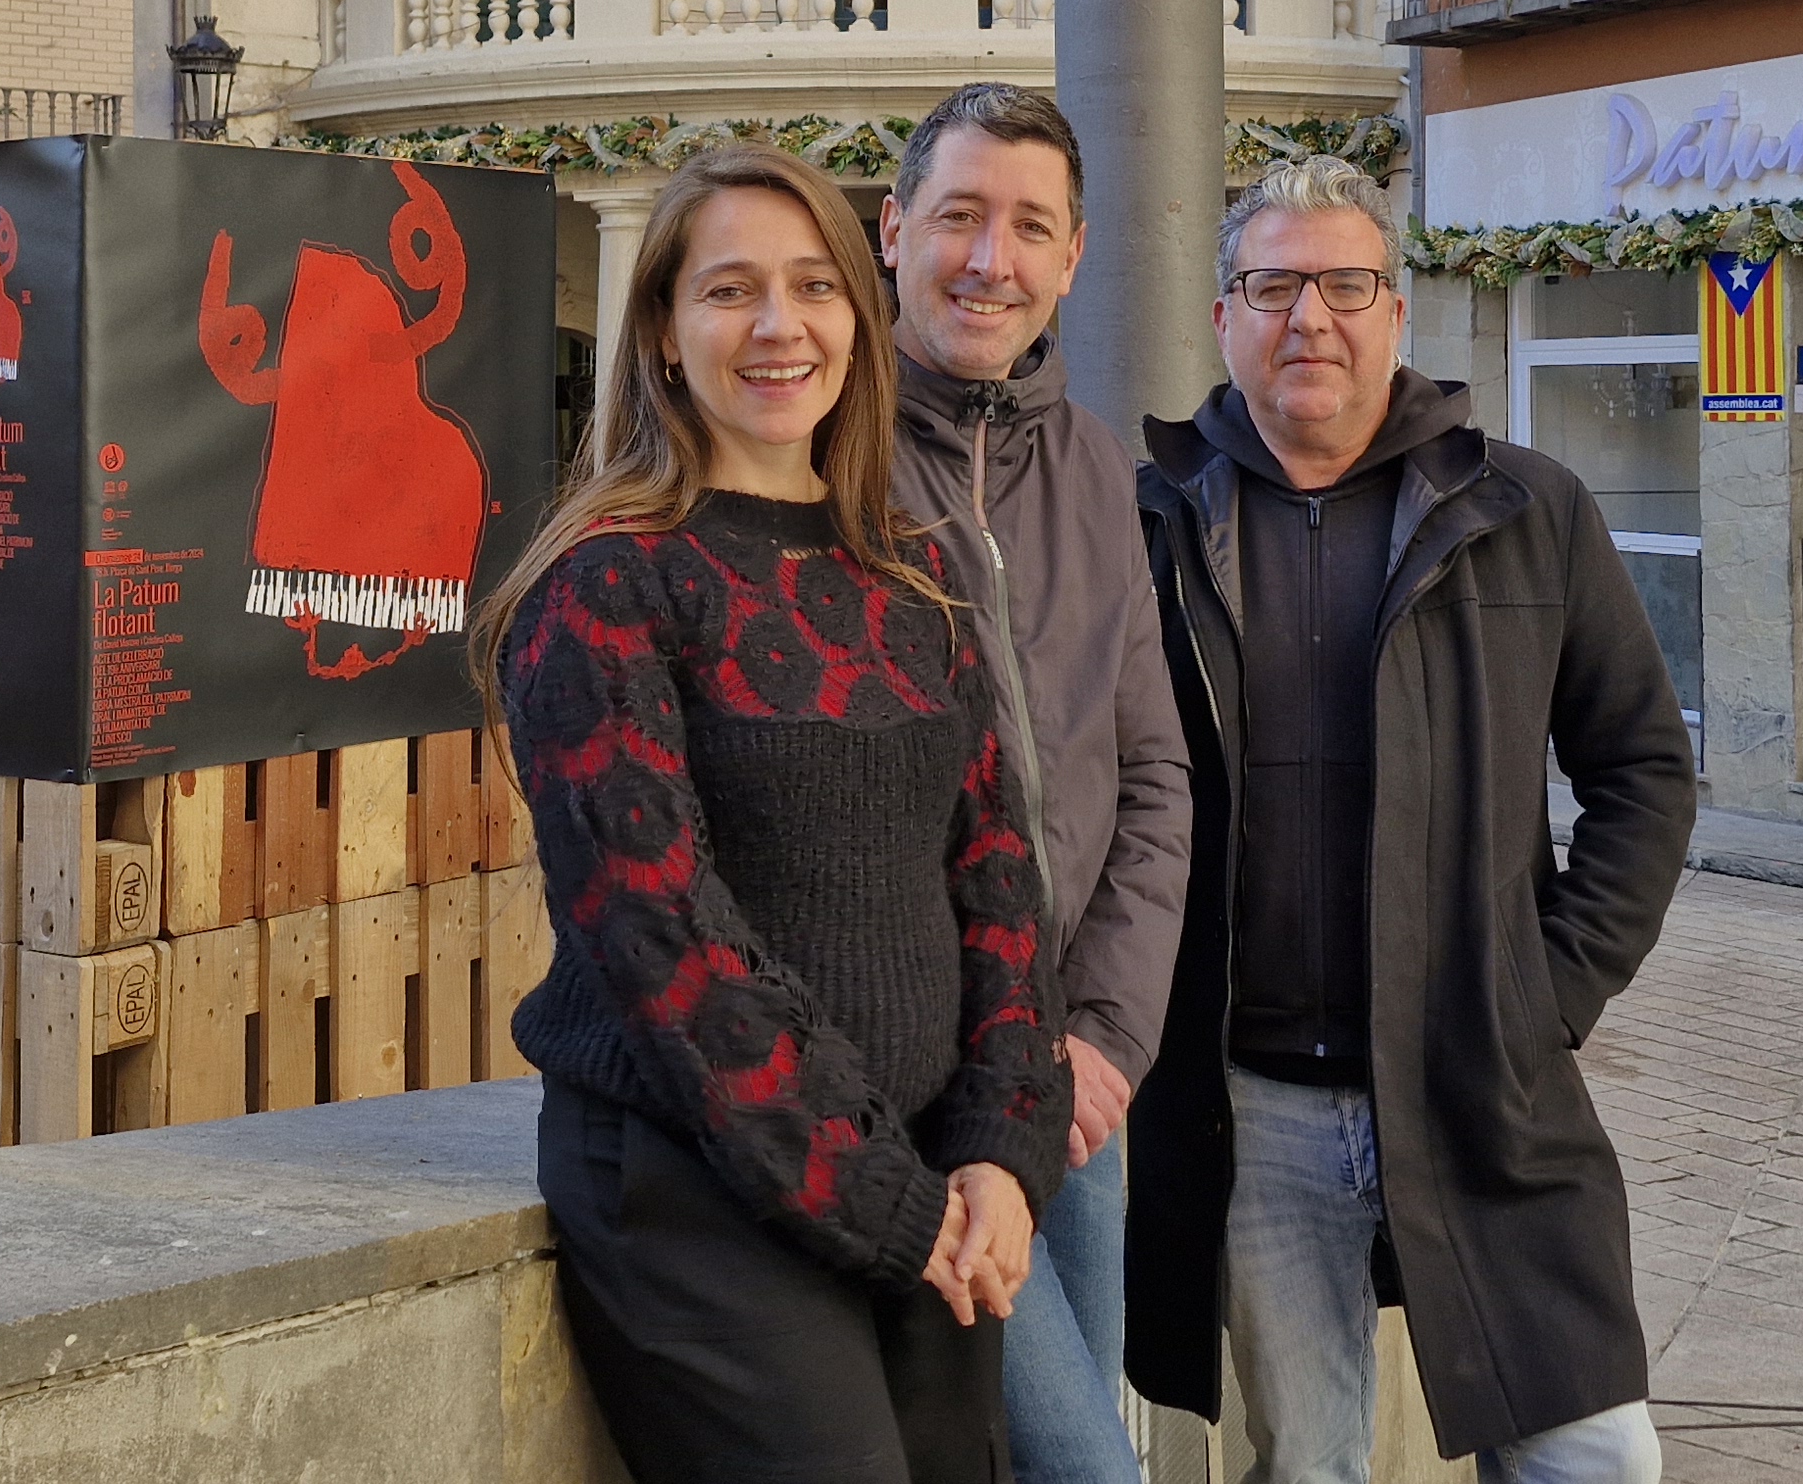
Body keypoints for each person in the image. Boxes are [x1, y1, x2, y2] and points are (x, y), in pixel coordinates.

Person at [476, 143, 1075, 1484]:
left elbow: (999, 884)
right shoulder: (607, 588)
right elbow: (665, 942)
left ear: (860, 327)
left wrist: (1001, 1152)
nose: (779, 326)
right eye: (730, 290)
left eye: (815, 286)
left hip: (929, 1181)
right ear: (666, 336)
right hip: (698, 1188)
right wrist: (886, 1196)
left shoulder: (914, 577)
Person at [1127, 156, 1699, 1484]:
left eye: (1343, 283)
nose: (1307, 318)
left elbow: (1642, 770)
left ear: (1396, 312)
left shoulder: (1524, 508)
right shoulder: (1152, 520)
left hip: (1477, 1081)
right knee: (1309, 1468)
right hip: (1252, 1104)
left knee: (1592, 1458)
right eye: (1273, 285)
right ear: (1225, 317)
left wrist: (1545, 994)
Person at [876, 84, 1193, 1484]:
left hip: (1069, 1081)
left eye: (1028, 228)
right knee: (1084, 1469)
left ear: (1073, 258)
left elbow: (1153, 775)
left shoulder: (1095, 469)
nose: (988, 259)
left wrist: (1111, 1042)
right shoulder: (821, 452)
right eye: (958, 217)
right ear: (893, 231)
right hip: (914, 1090)